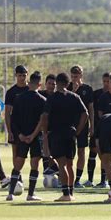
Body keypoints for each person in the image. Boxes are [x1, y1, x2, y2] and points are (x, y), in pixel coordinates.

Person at [42, 73, 88, 202]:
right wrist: (78, 130)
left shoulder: (52, 98)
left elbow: (45, 116)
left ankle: (65, 193)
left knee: (61, 164)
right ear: (68, 84)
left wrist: (45, 133)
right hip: (70, 133)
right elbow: (85, 114)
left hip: (56, 133)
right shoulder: (75, 97)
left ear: (57, 83)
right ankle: (71, 192)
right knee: (69, 165)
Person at [6, 71, 46, 201]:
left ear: (29, 83)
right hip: (35, 137)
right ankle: (31, 194)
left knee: (18, 164)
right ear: (40, 84)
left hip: (22, 137)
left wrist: (20, 135)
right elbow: (42, 121)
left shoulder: (19, 98)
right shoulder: (42, 100)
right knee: (35, 164)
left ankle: (10, 194)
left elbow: (13, 119)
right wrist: (33, 135)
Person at [67, 65, 94, 189]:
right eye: (72, 76)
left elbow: (91, 109)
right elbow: (64, 103)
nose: (74, 79)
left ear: (81, 76)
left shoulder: (87, 89)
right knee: (69, 152)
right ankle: (68, 178)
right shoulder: (67, 88)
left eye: (76, 76)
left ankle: (77, 179)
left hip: (83, 125)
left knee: (82, 151)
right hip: (69, 125)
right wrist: (73, 91)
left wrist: (92, 125)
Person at [4, 65, 29, 185]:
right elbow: (8, 113)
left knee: (35, 155)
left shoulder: (31, 89)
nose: (22, 78)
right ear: (16, 76)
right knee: (16, 152)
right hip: (16, 127)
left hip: (30, 127)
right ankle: (17, 176)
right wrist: (9, 131)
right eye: (20, 75)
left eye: (24, 75)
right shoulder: (11, 92)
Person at [91, 72, 110, 188]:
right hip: (98, 127)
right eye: (105, 81)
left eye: (108, 81)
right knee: (98, 152)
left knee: (107, 154)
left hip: (109, 129)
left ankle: (106, 179)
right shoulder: (96, 94)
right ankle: (99, 179)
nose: (106, 84)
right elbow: (92, 110)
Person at [39, 74, 59, 175]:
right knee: (44, 153)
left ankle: (60, 173)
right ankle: (50, 172)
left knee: (55, 154)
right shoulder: (40, 95)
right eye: (49, 83)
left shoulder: (58, 97)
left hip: (55, 130)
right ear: (45, 84)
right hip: (42, 129)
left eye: (53, 84)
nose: (51, 86)